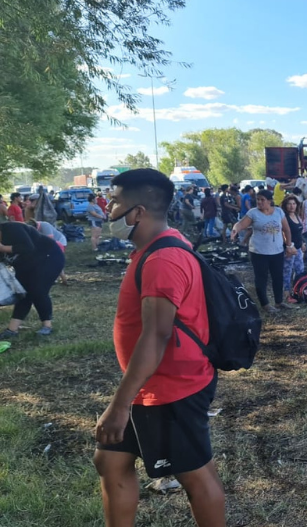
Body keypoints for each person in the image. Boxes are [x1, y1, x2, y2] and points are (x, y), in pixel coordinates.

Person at [91, 168, 225, 527]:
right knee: (110, 460)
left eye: (115, 202)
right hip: (149, 384)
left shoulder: (163, 259)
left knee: (195, 476)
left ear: (137, 213)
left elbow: (156, 335)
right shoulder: (160, 245)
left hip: (169, 388)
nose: (108, 209)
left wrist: (119, 407)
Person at [230, 189, 294, 313]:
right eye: (258, 199)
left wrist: (289, 245)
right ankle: (265, 304)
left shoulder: (279, 212)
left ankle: (279, 302)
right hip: (259, 252)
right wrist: (235, 230)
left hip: (277, 251)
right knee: (261, 278)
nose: (259, 202)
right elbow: (241, 224)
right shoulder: (253, 213)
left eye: (262, 200)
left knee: (278, 277)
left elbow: (286, 230)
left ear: (270, 201)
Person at [0, 222, 66, 339]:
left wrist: (3, 248)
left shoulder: (12, 228)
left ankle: (47, 326)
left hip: (49, 257)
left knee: (38, 290)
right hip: (25, 264)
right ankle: (12, 330)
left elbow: (27, 247)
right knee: (23, 294)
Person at [281, 194, 306, 301]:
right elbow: (283, 233)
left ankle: (299, 290)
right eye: (289, 204)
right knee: (287, 271)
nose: (292, 206)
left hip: (299, 248)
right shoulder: (284, 218)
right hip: (289, 249)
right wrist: (289, 246)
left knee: (300, 270)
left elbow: (299, 232)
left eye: (294, 204)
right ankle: (286, 294)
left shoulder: (297, 216)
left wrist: (303, 243)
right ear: (285, 205)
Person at [30, 219, 69, 285]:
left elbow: (50, 241)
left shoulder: (45, 225)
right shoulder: (33, 230)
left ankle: (63, 279)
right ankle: (53, 278)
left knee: (55, 261)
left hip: (58, 242)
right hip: (48, 244)